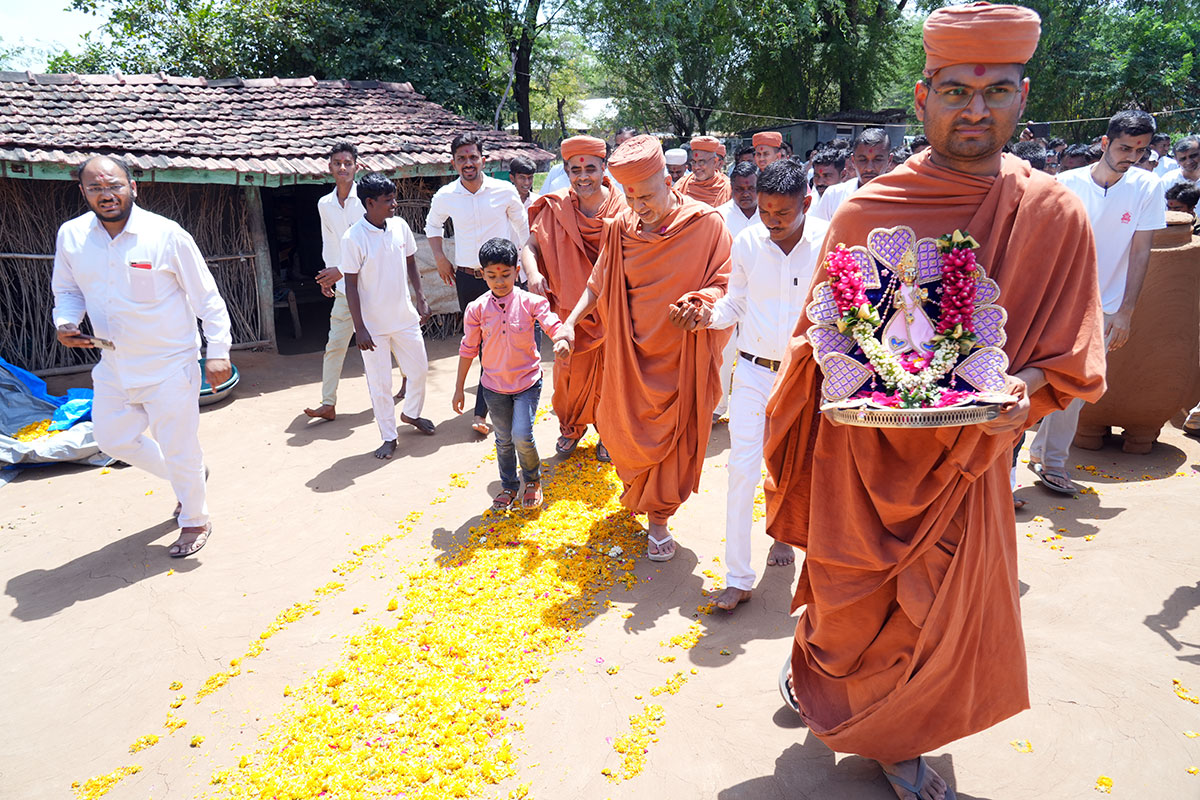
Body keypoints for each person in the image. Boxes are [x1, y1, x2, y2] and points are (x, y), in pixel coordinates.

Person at [764, 5, 1106, 799]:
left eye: (997, 91)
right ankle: (822, 677)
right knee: (847, 608)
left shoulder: (1052, 213)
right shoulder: (866, 209)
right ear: (922, 98)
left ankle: (900, 741)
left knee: (934, 613)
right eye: (956, 91)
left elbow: (1069, 354)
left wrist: (1022, 393)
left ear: (1024, 98)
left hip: (968, 461)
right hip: (861, 457)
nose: (975, 110)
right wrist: (851, 372)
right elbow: (819, 338)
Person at [553, 135, 732, 562]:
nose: (638, 206)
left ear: (668, 181)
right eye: (630, 197)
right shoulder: (620, 227)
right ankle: (640, 494)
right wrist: (570, 323)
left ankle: (659, 519)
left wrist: (700, 306)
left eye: (647, 196)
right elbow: (597, 284)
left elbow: (726, 286)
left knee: (674, 443)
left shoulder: (706, 225)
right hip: (629, 358)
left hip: (682, 357)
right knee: (624, 433)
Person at [53, 156, 233, 558]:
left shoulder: (165, 235)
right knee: (112, 438)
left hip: (169, 362)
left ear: (133, 187)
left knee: (179, 445)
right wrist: (66, 322)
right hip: (113, 362)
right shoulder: (72, 236)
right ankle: (189, 479)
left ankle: (195, 518)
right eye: (95, 188)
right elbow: (67, 290)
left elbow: (207, 298)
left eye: (114, 185)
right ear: (83, 192)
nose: (106, 194)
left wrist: (218, 351)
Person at [695, 160, 826, 610]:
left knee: (808, 472)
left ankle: (816, 574)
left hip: (808, 376)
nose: (771, 221)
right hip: (753, 372)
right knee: (742, 470)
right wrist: (706, 316)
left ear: (806, 202)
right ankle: (738, 577)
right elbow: (734, 303)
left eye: (782, 213)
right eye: (765, 212)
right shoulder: (748, 242)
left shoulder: (828, 242)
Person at [1029, 110, 1166, 493]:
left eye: (1140, 150)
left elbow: (1141, 251)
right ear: (1105, 143)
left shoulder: (1147, 186)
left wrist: (1126, 312)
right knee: (1042, 378)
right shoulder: (1065, 184)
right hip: (1058, 301)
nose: (1131, 157)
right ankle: (1038, 455)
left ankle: (1053, 462)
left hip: (1106, 305)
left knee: (1078, 384)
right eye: (1124, 148)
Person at [524, 135, 627, 460]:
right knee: (568, 378)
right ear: (566, 171)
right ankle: (570, 429)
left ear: (604, 168)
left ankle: (608, 434)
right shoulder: (555, 207)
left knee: (613, 377)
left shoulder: (623, 209)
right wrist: (533, 273)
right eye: (575, 170)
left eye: (591, 169)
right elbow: (530, 247)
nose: (583, 177)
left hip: (612, 312)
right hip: (568, 313)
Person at [426, 131, 530, 436]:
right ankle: (490, 408)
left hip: (502, 279)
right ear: (454, 163)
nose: (468, 163)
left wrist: (525, 270)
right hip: (468, 279)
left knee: (507, 341)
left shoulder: (504, 191)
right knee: (482, 342)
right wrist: (440, 257)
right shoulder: (446, 196)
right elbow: (432, 225)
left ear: (483, 160)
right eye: (462, 158)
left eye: (473, 157)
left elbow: (523, 229)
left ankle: (487, 410)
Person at [454, 238, 563, 510]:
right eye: (492, 276)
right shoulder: (476, 309)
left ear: (517, 271)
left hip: (527, 383)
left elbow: (551, 323)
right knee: (503, 440)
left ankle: (533, 481)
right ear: (482, 274)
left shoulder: (531, 302)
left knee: (522, 435)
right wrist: (459, 389)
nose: (499, 281)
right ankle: (509, 486)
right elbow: (468, 350)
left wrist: (561, 338)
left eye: (505, 274)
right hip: (493, 387)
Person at [342, 172, 435, 460]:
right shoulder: (353, 238)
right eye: (388, 200)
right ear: (370, 203)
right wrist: (360, 328)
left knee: (419, 370)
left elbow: (411, 263)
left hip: (404, 317)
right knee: (381, 384)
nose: (394, 204)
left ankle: (411, 413)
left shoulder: (400, 226)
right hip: (373, 327)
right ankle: (388, 436)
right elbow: (350, 285)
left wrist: (420, 297)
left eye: (394, 199)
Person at [305, 143, 377, 423]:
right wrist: (329, 276)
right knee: (335, 344)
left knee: (387, 339)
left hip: (374, 286)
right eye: (337, 163)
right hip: (346, 291)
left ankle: (406, 380)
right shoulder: (325, 204)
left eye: (348, 163)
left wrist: (341, 271)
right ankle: (328, 403)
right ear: (330, 167)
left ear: (357, 166)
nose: (343, 167)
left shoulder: (368, 200)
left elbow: (373, 245)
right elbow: (331, 242)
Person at [712, 160, 762, 421]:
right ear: (731, 188)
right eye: (740, 189)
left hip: (762, 294)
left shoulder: (770, 213)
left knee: (759, 353)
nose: (746, 194)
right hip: (729, 294)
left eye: (751, 188)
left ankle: (760, 408)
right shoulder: (718, 216)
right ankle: (718, 406)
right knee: (724, 351)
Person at [810, 127, 892, 222]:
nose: (869, 168)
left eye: (877, 160)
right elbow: (820, 230)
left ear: (889, 161)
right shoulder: (833, 195)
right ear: (853, 161)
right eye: (862, 160)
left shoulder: (899, 198)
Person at [675, 136, 732, 207]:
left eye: (701, 162)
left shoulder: (727, 187)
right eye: (693, 162)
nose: (696, 167)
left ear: (715, 162)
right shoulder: (682, 185)